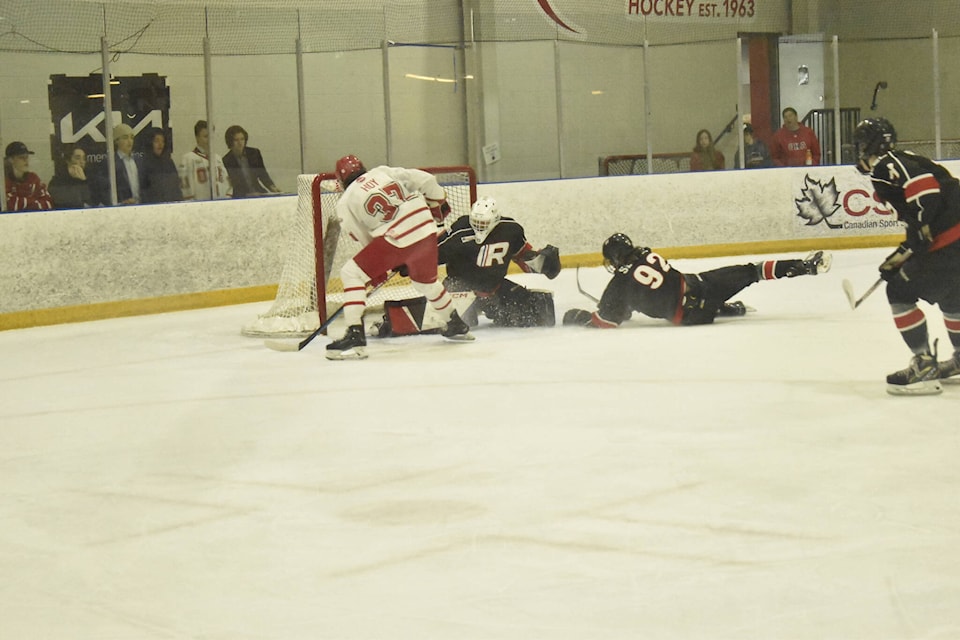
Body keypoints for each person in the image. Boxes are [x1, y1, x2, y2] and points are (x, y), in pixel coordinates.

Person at [325, 154, 473, 359]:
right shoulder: (383, 171)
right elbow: (427, 180)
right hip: (426, 229)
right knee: (425, 282)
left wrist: (382, 267)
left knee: (351, 273)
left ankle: (354, 334)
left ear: (341, 181)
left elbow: (363, 236)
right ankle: (454, 322)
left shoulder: (346, 201)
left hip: (397, 237)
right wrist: (436, 204)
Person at [852, 117, 960, 395]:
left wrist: (919, 234)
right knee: (952, 295)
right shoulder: (904, 159)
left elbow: (927, 193)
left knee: (899, 291)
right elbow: (927, 216)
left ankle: (924, 367)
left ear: (869, 145)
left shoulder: (884, 165)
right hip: (954, 240)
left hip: (949, 241)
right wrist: (902, 254)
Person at [563, 232, 831, 329]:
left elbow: (607, 321)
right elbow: (653, 289)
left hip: (692, 315)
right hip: (702, 285)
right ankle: (802, 266)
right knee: (752, 271)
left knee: (689, 304)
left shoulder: (620, 282)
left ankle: (720, 307)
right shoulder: (647, 253)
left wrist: (579, 317)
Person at [376, 196, 562, 335]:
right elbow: (433, 250)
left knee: (540, 313)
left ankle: (490, 308)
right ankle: (391, 321)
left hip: (494, 289)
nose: (479, 227)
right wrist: (409, 262)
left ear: (495, 220)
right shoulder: (460, 229)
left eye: (484, 223)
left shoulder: (511, 230)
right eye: (477, 222)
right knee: (458, 323)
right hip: (460, 288)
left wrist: (543, 262)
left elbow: (523, 256)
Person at [90, 123, 144, 206]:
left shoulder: (139, 161)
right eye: (125, 138)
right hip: (121, 208)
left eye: (132, 137)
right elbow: (103, 189)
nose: (129, 141)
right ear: (116, 141)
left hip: (142, 206)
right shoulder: (109, 163)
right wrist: (120, 203)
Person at [222, 125, 280, 198]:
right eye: (236, 140)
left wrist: (272, 187)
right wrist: (246, 195)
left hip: (259, 192)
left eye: (242, 139)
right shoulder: (226, 160)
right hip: (241, 196)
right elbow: (233, 185)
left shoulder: (254, 153)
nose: (240, 143)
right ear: (230, 141)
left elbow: (263, 174)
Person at [180, 120, 231, 200]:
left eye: (211, 136)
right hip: (200, 206)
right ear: (197, 137)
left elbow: (227, 184)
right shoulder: (188, 158)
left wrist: (226, 200)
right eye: (206, 136)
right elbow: (186, 188)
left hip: (220, 205)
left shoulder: (218, 158)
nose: (209, 140)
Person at [4, 141, 54, 212]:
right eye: (21, 157)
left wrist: (23, 202)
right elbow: (11, 206)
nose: (26, 160)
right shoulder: (4, 181)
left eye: (27, 157)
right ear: (10, 160)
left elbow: (48, 203)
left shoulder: (33, 178)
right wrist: (34, 200)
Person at [141, 128, 183, 204]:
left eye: (162, 141)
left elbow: (176, 187)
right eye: (156, 141)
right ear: (150, 143)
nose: (160, 144)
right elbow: (144, 191)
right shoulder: (144, 164)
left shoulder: (169, 162)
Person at [48, 143, 93, 209]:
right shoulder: (57, 181)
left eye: (83, 158)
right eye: (78, 158)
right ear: (68, 161)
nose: (82, 162)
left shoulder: (90, 178)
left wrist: (84, 181)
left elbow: (91, 202)